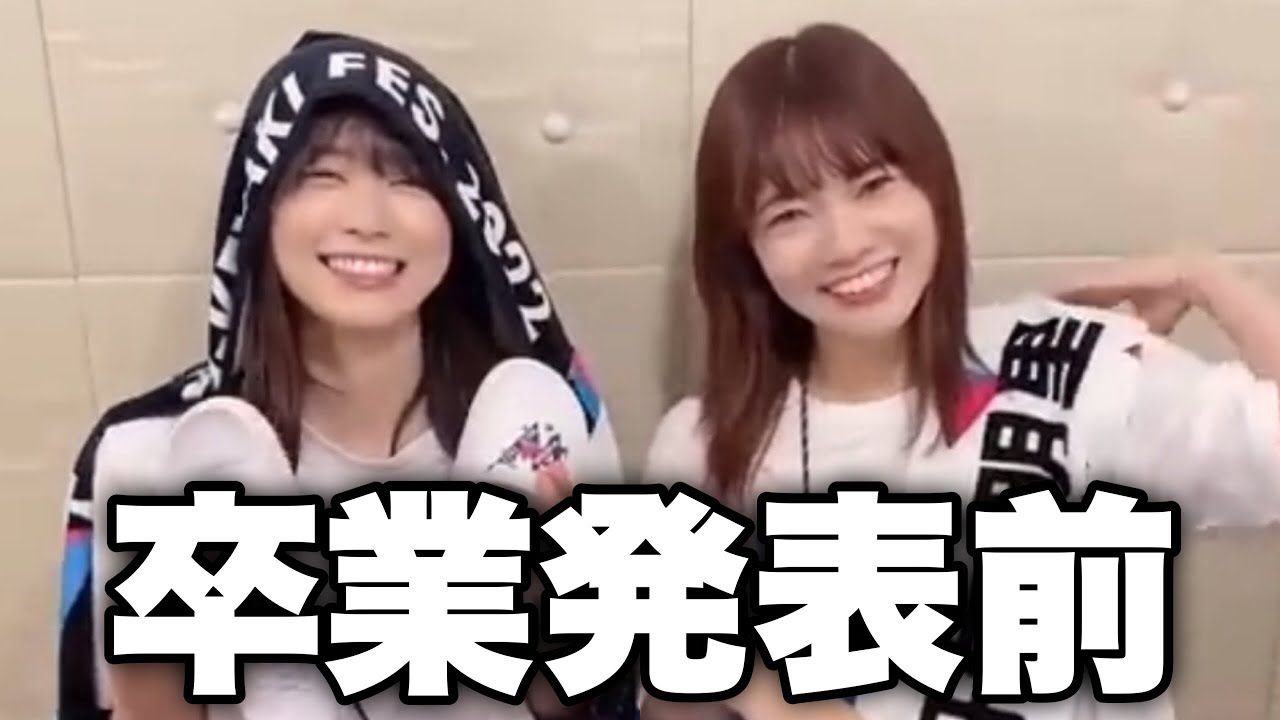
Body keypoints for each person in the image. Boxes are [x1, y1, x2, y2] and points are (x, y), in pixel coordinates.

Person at [641, 22, 1280, 720]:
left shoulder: (1066, 370)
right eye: (789, 214)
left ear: (933, 184)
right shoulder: (706, 447)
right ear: (747, 254)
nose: (846, 243)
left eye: (873, 184)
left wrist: (1209, 279)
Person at [55, 30, 625, 720]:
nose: (367, 220)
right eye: (322, 176)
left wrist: (552, 600)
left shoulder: (545, 425)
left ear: (461, 214)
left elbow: (580, 706)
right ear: (261, 210)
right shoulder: (147, 455)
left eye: (409, 178)